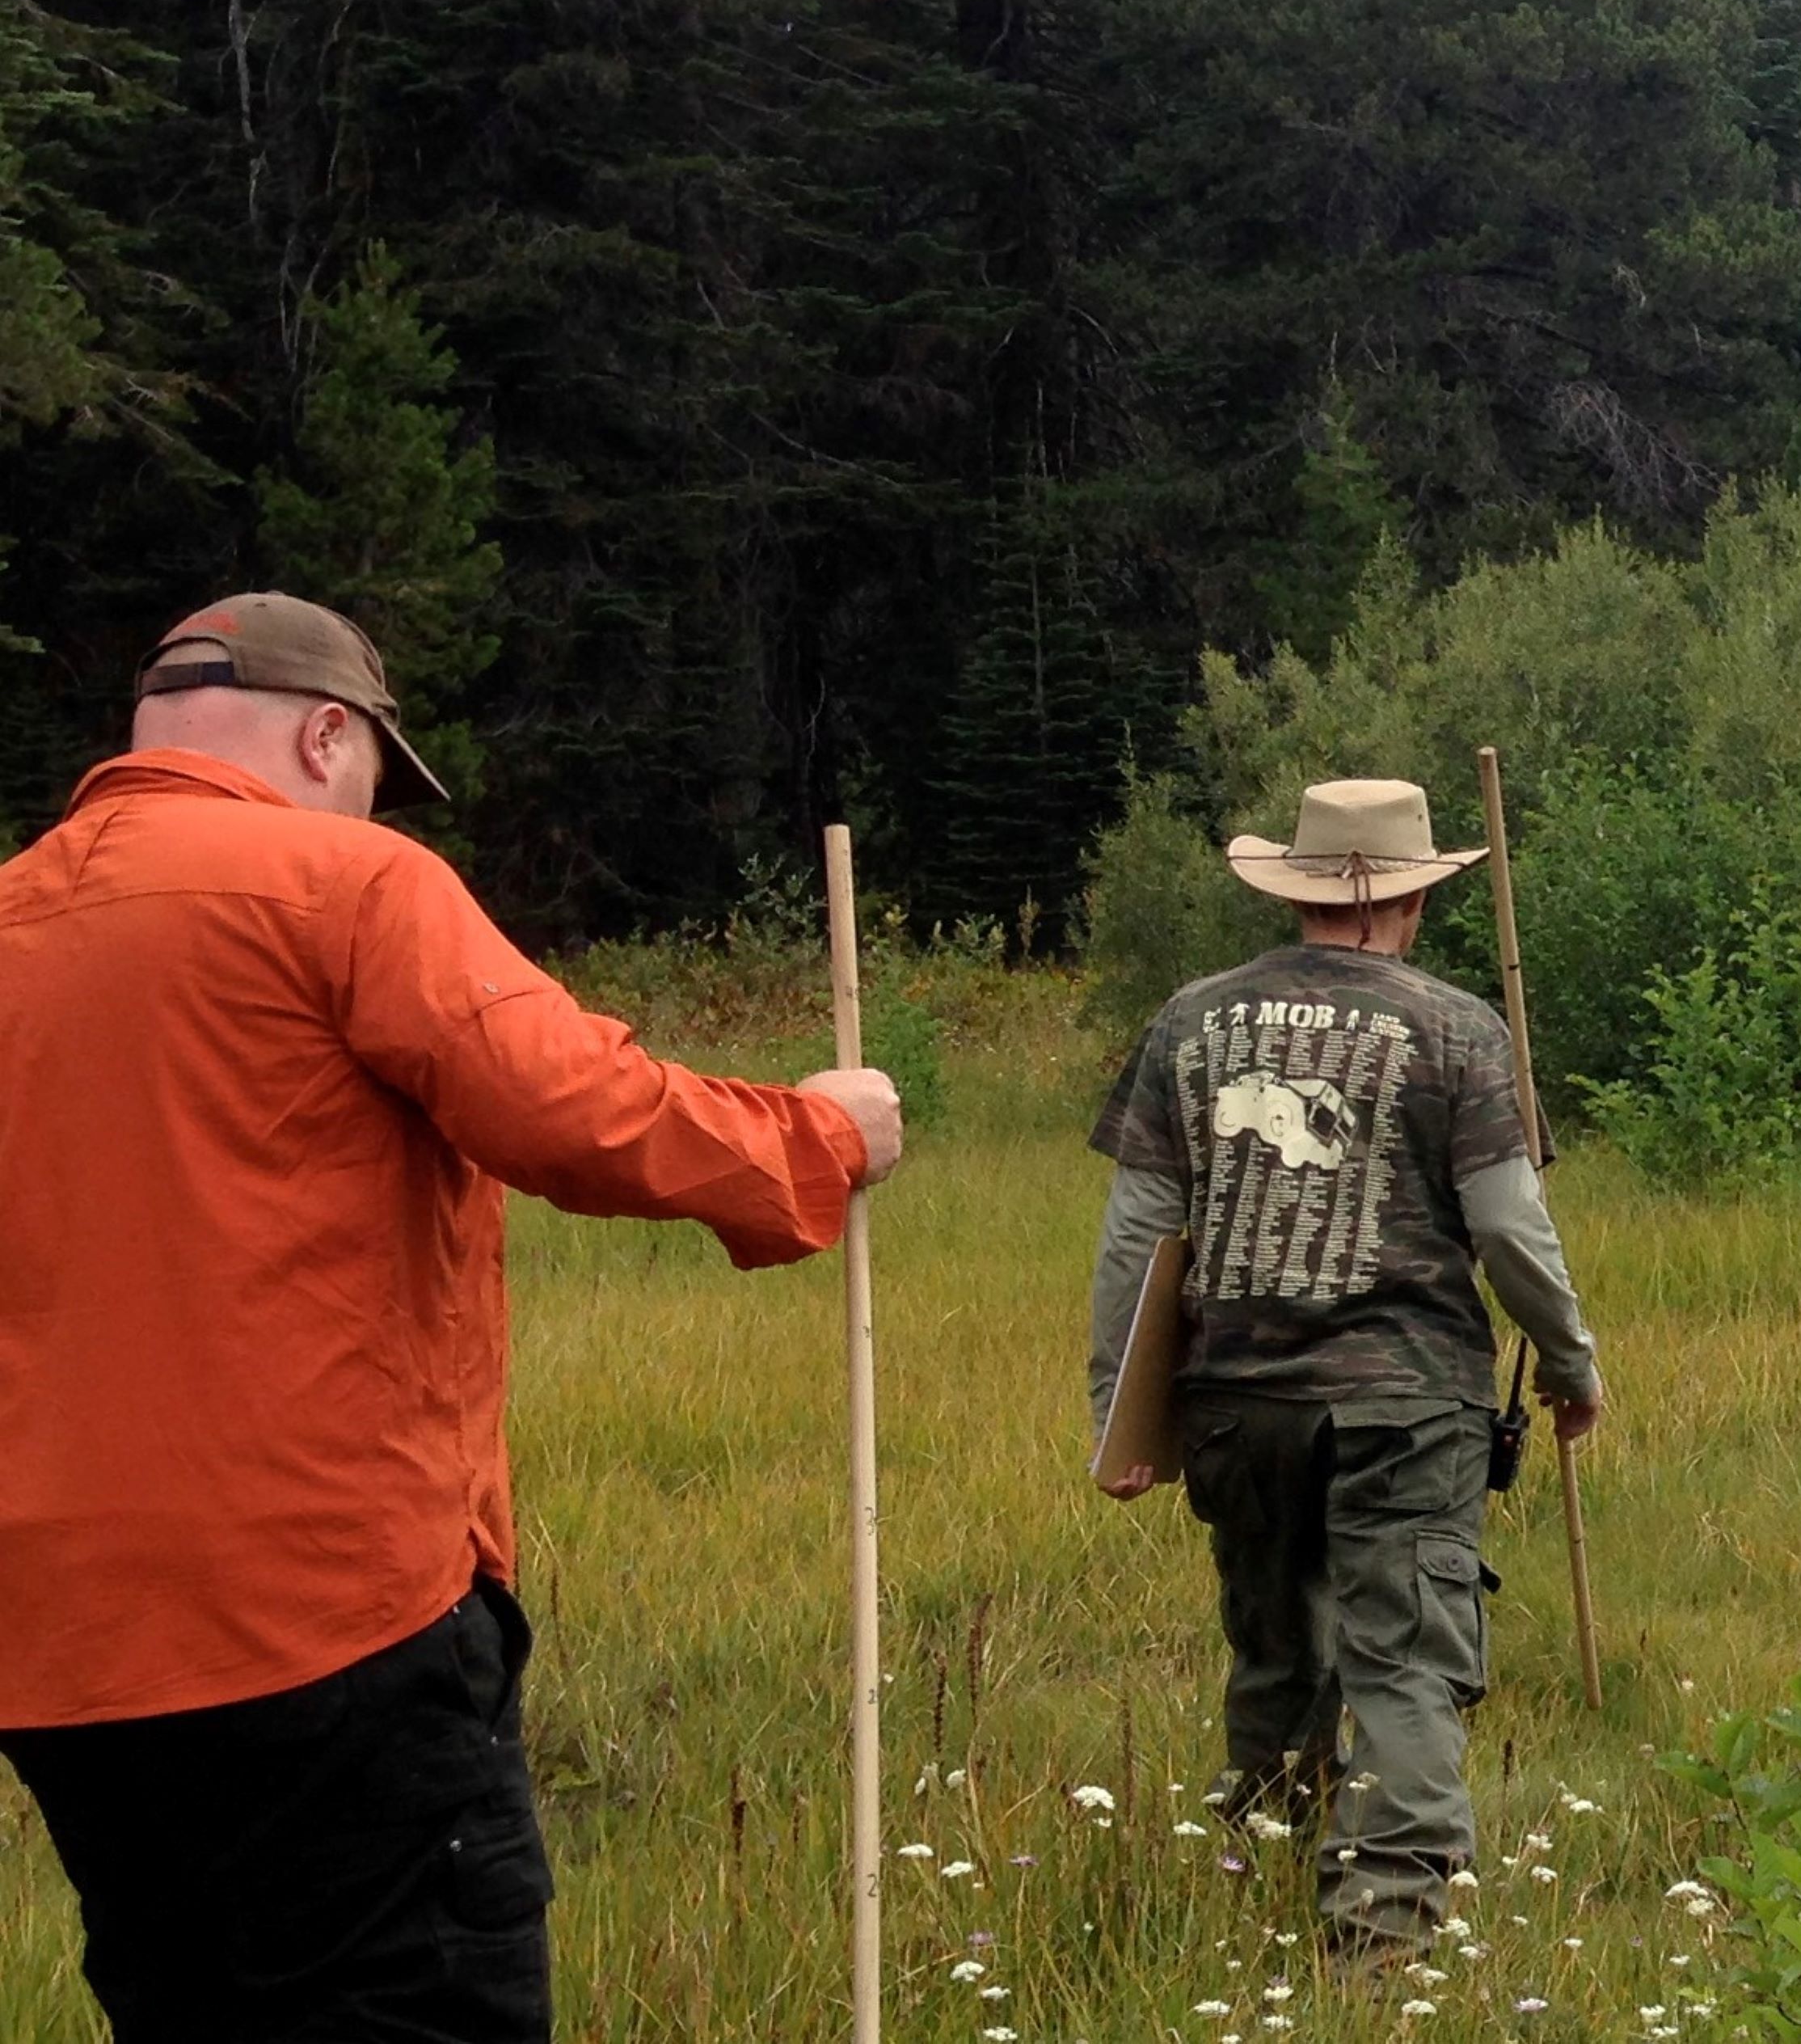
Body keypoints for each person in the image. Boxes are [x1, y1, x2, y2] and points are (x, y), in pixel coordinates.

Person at [0, 592, 908, 2044]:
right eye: (371, 775)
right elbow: (576, 1111)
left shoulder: (14, 918)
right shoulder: (342, 881)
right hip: (321, 1616)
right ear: (324, 734)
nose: (373, 811)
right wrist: (819, 1139)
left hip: (59, 1660)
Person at [1082, 777, 1601, 1978]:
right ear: (1411, 900)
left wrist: (1125, 1412)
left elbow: (1137, 1238)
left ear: (1305, 892)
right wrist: (1569, 1363)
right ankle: (1384, 1939)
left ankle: (1263, 1860)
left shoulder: (1191, 1021)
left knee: (1275, 1645)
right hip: (1408, 1400)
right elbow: (1509, 1228)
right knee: (1406, 1663)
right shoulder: (1461, 1028)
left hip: (1233, 1400)